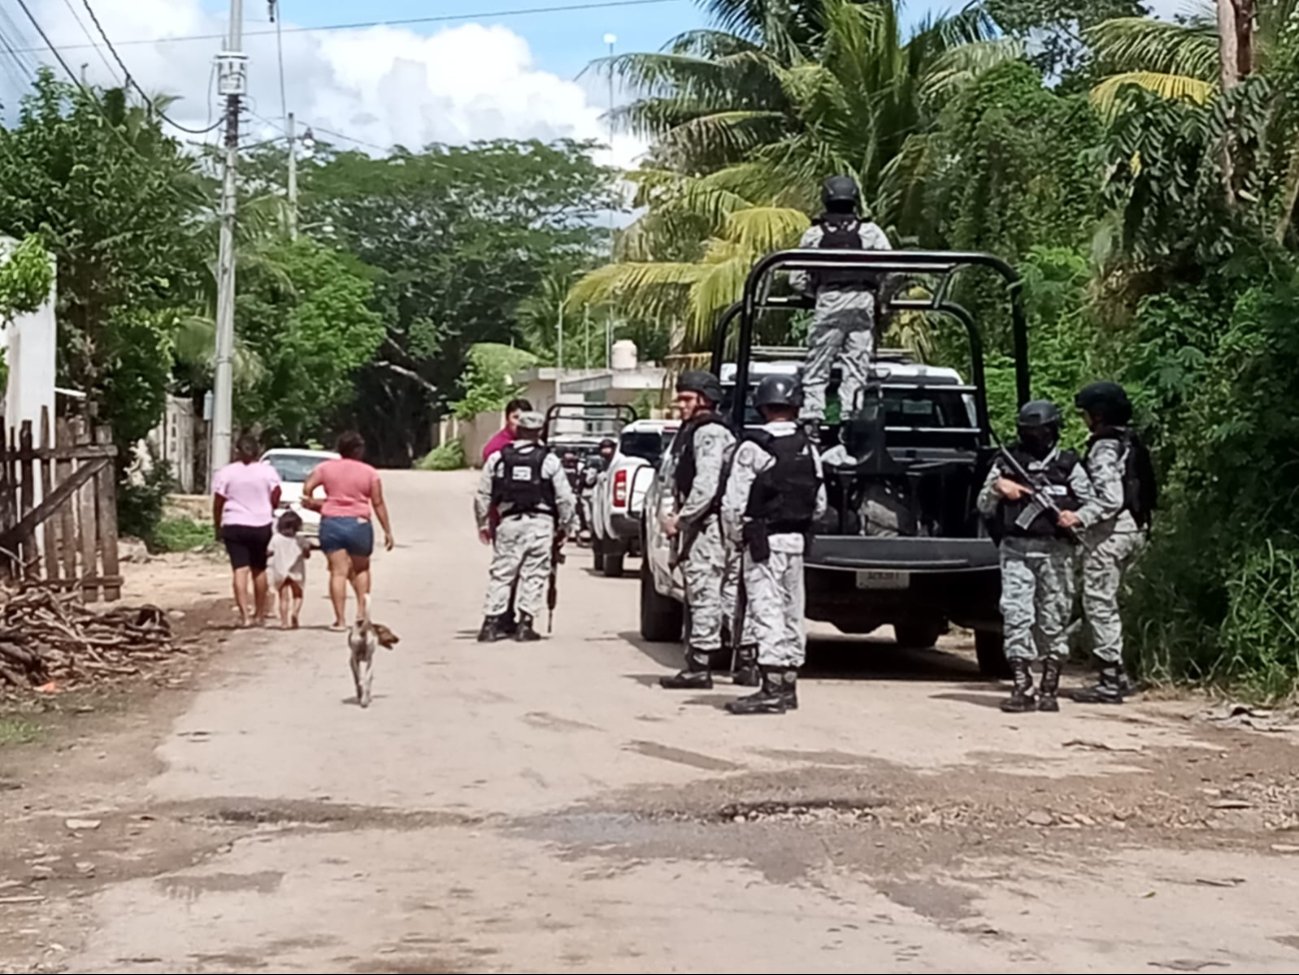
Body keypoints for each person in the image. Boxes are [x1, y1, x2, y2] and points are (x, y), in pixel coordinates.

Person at [977, 401, 1096, 713]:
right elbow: (984, 505)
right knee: (1017, 615)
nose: (1035, 436)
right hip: (1016, 549)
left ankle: (1049, 686)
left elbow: (1094, 503)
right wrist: (998, 488)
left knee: (1053, 617)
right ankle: (1021, 684)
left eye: (1041, 431)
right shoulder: (1008, 462)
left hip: (1057, 552)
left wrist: (1077, 517)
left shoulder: (1069, 465)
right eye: (1030, 431)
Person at [721, 375, 825, 715]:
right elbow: (820, 502)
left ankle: (771, 687)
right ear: (795, 406)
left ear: (762, 406)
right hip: (797, 541)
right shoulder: (808, 446)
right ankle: (789, 685)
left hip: (763, 542)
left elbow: (734, 504)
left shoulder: (754, 446)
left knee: (765, 611)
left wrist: (736, 537)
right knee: (793, 610)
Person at [1066, 381, 1155, 705]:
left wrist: (1079, 517)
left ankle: (1110, 679)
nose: (1084, 420)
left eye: (1086, 414)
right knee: (1108, 603)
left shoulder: (1105, 448)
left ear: (1098, 414)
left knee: (1099, 603)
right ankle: (1117, 674)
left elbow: (1110, 498)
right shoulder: (1129, 441)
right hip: (1134, 531)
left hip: (1111, 535)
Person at [790, 175, 893, 431]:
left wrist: (815, 294)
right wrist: (881, 297)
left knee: (818, 362)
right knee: (857, 363)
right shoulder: (870, 231)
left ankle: (813, 414)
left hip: (829, 299)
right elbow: (894, 268)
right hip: (863, 301)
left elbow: (796, 278)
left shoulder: (814, 234)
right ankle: (852, 415)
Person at [659, 371, 737, 690]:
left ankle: (700, 664)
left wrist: (681, 519)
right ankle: (744, 659)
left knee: (705, 593)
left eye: (687, 399)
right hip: (709, 525)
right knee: (722, 594)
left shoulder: (709, 433)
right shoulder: (697, 431)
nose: (681, 405)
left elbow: (706, 483)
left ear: (705, 400)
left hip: (709, 526)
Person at [475, 411, 577, 642]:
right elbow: (565, 498)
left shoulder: (498, 459)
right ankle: (525, 624)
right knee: (534, 574)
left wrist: (483, 523)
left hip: (508, 522)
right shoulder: (549, 460)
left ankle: (491, 623)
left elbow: (482, 494)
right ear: (539, 432)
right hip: (540, 524)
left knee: (502, 574)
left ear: (518, 430)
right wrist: (566, 527)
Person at [302, 432, 395, 631]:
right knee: (361, 569)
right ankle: (362, 615)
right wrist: (387, 530)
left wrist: (313, 502)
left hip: (332, 523)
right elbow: (378, 503)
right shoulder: (370, 473)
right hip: (359, 523)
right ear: (358, 450)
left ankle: (340, 620)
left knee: (338, 572)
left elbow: (307, 487)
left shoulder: (325, 468)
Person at [212, 434, 281, 627]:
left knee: (239, 570)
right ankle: (259, 613)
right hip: (261, 524)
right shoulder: (268, 472)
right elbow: (276, 494)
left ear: (236, 450)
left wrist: (217, 526)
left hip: (234, 524)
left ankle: (244, 616)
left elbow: (218, 502)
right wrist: (268, 507)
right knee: (259, 570)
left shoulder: (225, 473)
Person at [268, 510, 311, 629]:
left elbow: (269, 552)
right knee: (298, 595)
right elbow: (307, 555)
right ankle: (295, 613)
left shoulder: (276, 538)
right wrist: (306, 549)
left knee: (283, 598)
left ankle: (284, 622)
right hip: (296, 571)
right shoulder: (300, 539)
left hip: (280, 571)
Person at [481, 397, 533, 465]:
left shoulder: (536, 442)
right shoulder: (497, 446)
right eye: (516, 417)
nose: (520, 422)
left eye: (525, 418)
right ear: (507, 419)